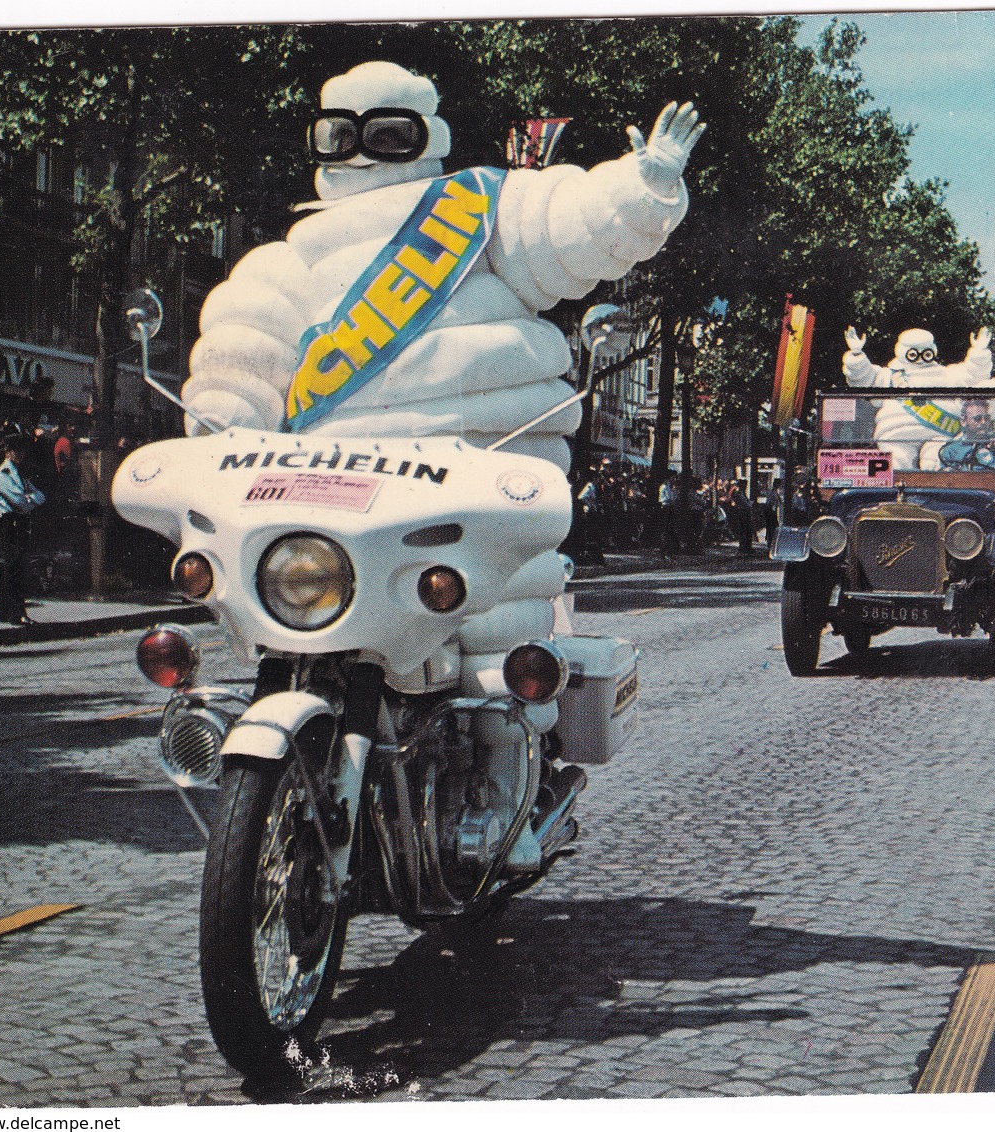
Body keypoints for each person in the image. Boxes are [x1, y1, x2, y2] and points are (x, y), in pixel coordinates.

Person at [177, 59, 704, 873]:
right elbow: (239, 359)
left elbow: (570, 221)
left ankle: (503, 803)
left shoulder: (479, 215)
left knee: (489, 656)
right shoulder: (285, 262)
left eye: (387, 134)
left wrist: (640, 186)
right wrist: (217, 430)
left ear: (427, 138)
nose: (362, 153)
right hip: (325, 503)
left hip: (469, 489)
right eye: (340, 134)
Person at [842, 325, 995, 470]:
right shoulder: (891, 376)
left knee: (936, 461)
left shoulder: (946, 375)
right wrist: (857, 356)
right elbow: (864, 379)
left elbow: (971, 376)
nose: (920, 358)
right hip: (896, 435)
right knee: (896, 465)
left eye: (926, 353)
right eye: (913, 353)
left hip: (939, 435)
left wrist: (979, 352)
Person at [0, 432, 44, 626]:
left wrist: (30, 498)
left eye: (22, 450)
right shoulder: (2, 474)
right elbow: (22, 502)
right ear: (7, 452)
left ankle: (7, 613)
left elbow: (40, 495)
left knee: (15, 569)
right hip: (9, 523)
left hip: (18, 524)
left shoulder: (19, 473)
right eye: (15, 450)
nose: (20, 454)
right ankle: (16, 613)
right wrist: (29, 498)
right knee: (13, 570)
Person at [933, 398, 995, 471]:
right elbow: (943, 478)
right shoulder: (951, 450)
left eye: (986, 418)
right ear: (963, 421)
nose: (984, 422)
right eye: (977, 418)